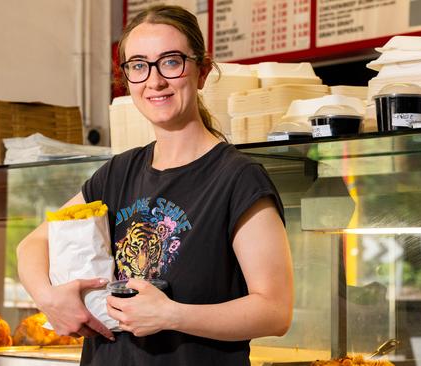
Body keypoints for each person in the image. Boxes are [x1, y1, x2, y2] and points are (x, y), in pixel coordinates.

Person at [17, 5, 293, 366]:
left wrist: (171, 315)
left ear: (202, 71)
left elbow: (275, 311)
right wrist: (48, 298)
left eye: (171, 62)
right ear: (127, 78)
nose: (154, 80)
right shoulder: (118, 172)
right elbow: (33, 244)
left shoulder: (237, 178)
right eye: (138, 65)